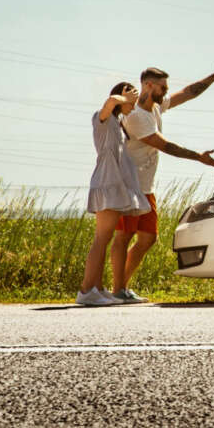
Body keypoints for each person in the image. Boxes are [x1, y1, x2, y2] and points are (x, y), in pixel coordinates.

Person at [110, 62, 214, 302]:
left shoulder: (155, 107)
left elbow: (188, 93)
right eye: (162, 87)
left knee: (148, 238)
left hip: (145, 185)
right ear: (147, 85)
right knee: (124, 236)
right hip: (129, 183)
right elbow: (165, 146)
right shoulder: (135, 115)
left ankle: (121, 288)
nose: (166, 91)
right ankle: (117, 290)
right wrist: (199, 157)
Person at [77, 82, 153, 307]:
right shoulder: (102, 118)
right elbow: (110, 103)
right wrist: (122, 98)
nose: (134, 106)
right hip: (106, 184)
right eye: (132, 101)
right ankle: (86, 290)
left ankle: (97, 289)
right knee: (101, 239)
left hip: (114, 186)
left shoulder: (117, 124)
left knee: (104, 238)